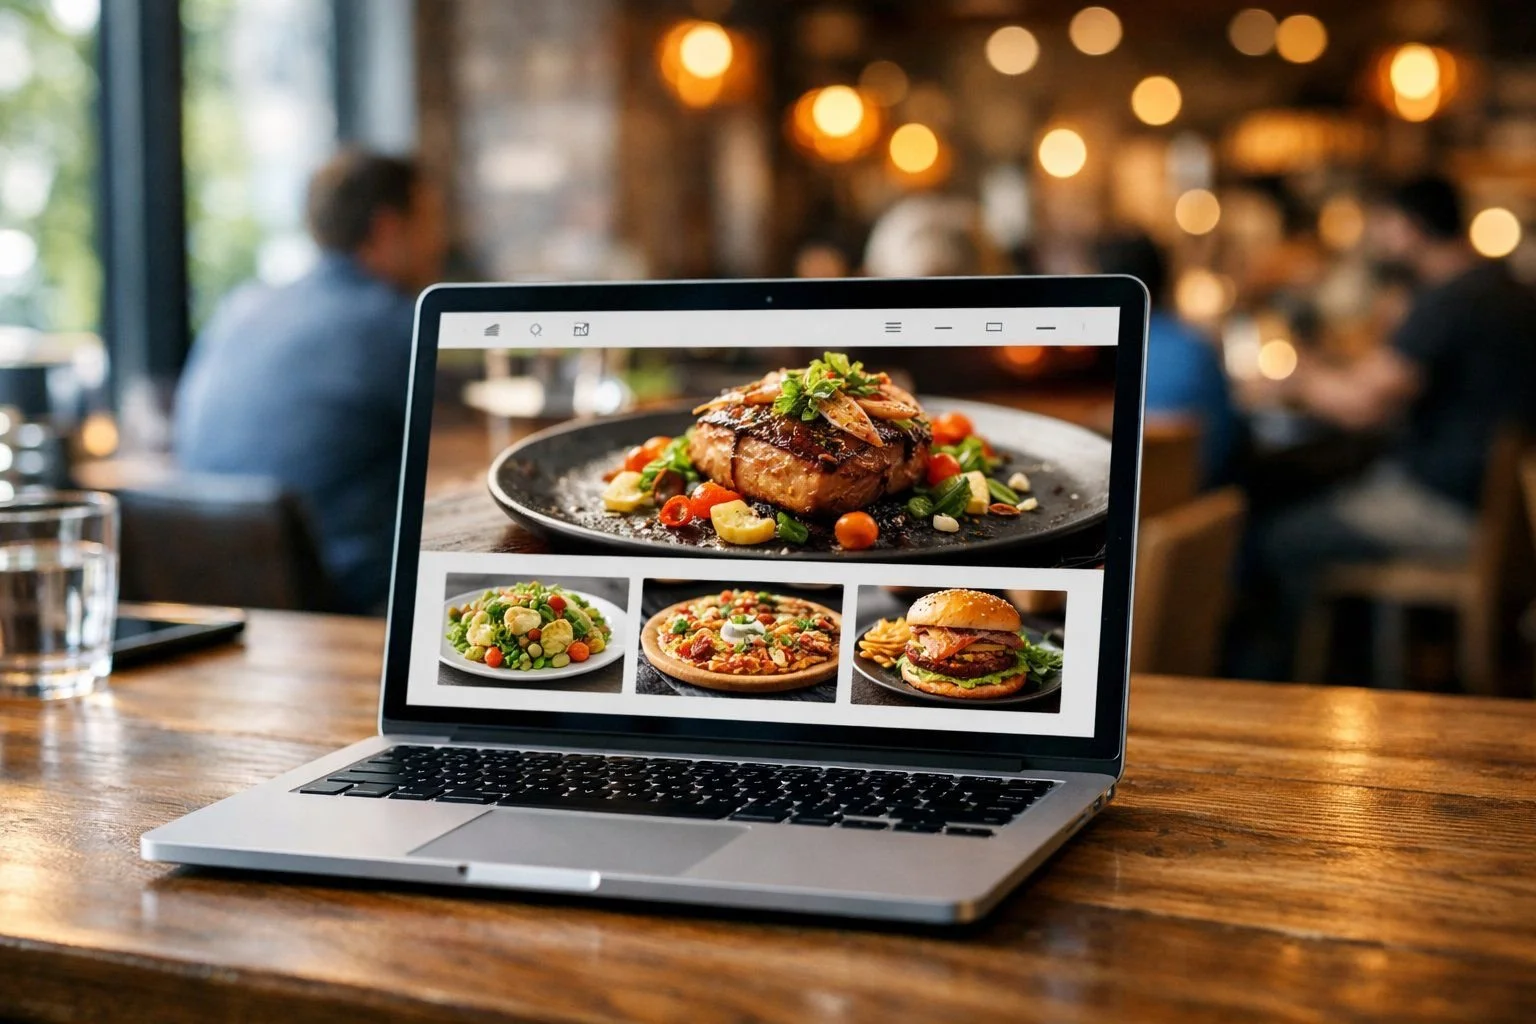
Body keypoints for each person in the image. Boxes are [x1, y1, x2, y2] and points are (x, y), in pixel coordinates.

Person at [1246, 174, 1536, 678]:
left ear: (1411, 227)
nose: (1376, 237)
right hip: (1501, 513)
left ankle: (1282, 690)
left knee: (1278, 536)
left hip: (1446, 510)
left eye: (1384, 223)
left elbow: (1363, 404)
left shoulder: (1450, 300)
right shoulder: (1508, 289)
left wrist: (1296, 376)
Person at [174, 150, 448, 613]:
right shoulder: (395, 322)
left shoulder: (243, 307)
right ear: (388, 228)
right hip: (350, 606)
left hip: (216, 599)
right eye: (431, 221)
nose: (440, 241)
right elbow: (466, 443)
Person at [1093, 231, 1238, 486]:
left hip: (1128, 510)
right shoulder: (1195, 344)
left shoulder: (1105, 355)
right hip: (1199, 509)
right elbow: (1228, 438)